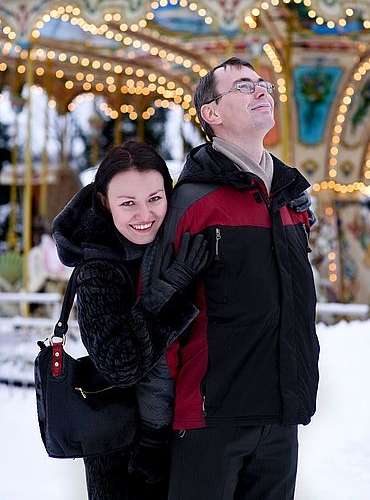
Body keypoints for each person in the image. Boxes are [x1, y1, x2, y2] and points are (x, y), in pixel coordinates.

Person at [152, 57, 320, 499]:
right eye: (245, 86)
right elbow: (159, 312)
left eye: (263, 83)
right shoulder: (192, 204)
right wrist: (156, 420)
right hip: (211, 417)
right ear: (212, 114)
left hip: (280, 414)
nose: (262, 90)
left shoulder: (288, 201)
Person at [52, 140, 209, 500]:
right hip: (122, 450)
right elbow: (119, 363)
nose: (144, 215)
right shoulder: (97, 267)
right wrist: (171, 289)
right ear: (105, 202)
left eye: (155, 198)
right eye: (128, 203)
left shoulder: (172, 245)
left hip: (186, 436)